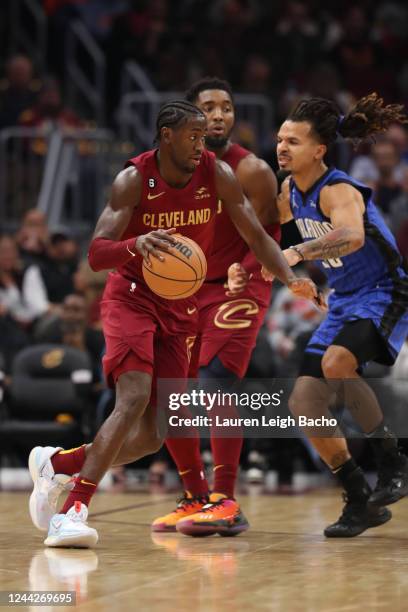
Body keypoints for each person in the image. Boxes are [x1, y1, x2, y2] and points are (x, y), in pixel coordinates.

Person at [28, 100, 319, 548]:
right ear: (167, 135)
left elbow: (256, 235)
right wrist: (136, 243)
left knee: (154, 434)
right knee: (133, 397)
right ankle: (72, 512)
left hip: (181, 305)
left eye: (204, 136)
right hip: (132, 298)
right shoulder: (133, 179)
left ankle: (61, 465)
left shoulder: (216, 172)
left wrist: (291, 279)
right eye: (192, 136)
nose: (201, 144)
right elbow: (95, 254)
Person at [263, 93, 408, 537]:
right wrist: (259, 270)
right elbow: (266, 238)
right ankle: (358, 500)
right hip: (343, 298)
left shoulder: (338, 188)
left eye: (294, 141)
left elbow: (350, 237)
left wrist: (295, 252)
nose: (282, 147)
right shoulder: (289, 191)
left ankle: (392, 463)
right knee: (303, 402)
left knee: (336, 363)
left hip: (384, 291)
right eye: (280, 139)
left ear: (319, 150)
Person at [151, 77, 282, 536]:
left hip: (241, 282)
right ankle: (195, 496)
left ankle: (225, 498)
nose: (221, 115)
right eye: (209, 107)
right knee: (170, 390)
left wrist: (244, 268)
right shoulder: (170, 172)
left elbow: (268, 234)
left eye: (227, 107)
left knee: (216, 382)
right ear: (189, 119)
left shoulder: (254, 171)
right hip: (188, 288)